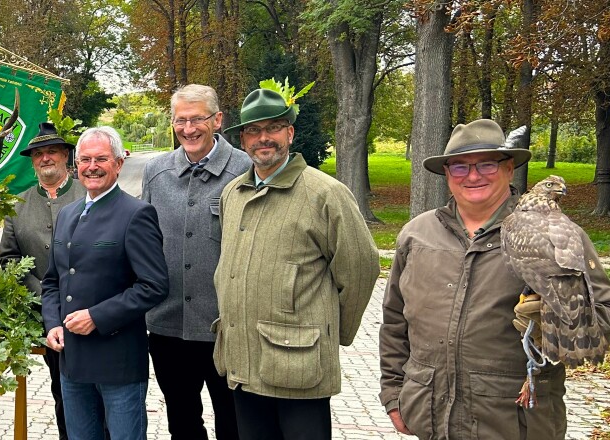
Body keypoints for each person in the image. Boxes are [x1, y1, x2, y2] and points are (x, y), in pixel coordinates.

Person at [379, 118, 610, 439]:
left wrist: (555, 321)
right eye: (459, 167)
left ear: (509, 168)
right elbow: (394, 321)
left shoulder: (556, 231)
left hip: (516, 422)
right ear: (446, 174)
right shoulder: (418, 234)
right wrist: (393, 396)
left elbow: (604, 313)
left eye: (487, 164)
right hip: (431, 418)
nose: (472, 175)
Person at [212, 88, 380, 439]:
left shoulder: (324, 193)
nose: (263, 139)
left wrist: (331, 331)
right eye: (254, 131)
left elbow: (361, 268)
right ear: (243, 139)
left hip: (298, 366)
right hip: (243, 361)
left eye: (273, 128)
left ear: (289, 132)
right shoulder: (233, 193)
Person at [42, 126, 169, 440]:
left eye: (101, 158)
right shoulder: (68, 214)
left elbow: (154, 285)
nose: (92, 166)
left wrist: (97, 317)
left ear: (119, 163)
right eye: (85, 159)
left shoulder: (136, 214)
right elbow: (52, 281)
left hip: (118, 363)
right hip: (72, 360)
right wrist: (53, 323)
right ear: (76, 165)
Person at [141, 84, 246, 439]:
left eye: (197, 119)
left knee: (234, 423)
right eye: (180, 121)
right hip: (168, 325)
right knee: (183, 422)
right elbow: (145, 243)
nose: (188, 129)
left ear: (217, 120)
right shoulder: (156, 172)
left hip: (226, 327)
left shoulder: (245, 172)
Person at [0, 121, 83, 440]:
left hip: (93, 315)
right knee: (63, 393)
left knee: (101, 396)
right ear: (32, 161)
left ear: (65, 156)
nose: (45, 158)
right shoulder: (17, 204)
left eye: (52, 152)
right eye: (38, 154)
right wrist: (45, 298)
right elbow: (8, 259)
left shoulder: (88, 193)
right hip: (48, 319)